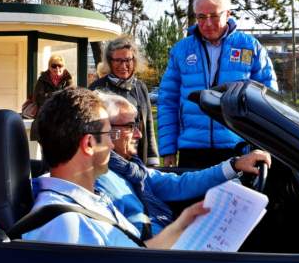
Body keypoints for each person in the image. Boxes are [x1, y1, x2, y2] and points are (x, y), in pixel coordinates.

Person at [22, 87, 208, 248]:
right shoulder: (65, 226)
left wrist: (181, 225)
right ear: (89, 144)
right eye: (108, 135)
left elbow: (135, 253)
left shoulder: (90, 199)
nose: (112, 145)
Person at [94, 92, 271, 239]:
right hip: (159, 255)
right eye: (130, 127)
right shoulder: (99, 180)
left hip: (168, 244)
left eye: (136, 126)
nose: (139, 134)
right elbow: (125, 242)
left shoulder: (132, 170)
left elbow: (180, 184)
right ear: (108, 131)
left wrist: (234, 165)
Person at [157, 0, 278, 169]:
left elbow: (268, 100)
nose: (207, 23)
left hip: (237, 147)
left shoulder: (251, 47)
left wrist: (264, 147)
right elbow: (168, 101)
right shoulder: (181, 50)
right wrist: (168, 149)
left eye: (214, 16)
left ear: (227, 14)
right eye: (201, 17)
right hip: (192, 149)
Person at [88, 35, 159, 166]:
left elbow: (148, 125)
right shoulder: (96, 88)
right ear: (109, 61)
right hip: (108, 159)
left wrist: (152, 159)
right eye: (118, 61)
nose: (123, 65)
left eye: (128, 60)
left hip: (137, 156)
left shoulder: (140, 87)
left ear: (134, 60)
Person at [29, 54, 74, 142]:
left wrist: (48, 95)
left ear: (63, 67)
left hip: (63, 121)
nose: (57, 68)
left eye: (60, 65)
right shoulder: (42, 79)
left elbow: (69, 98)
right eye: (54, 66)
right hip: (45, 119)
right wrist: (59, 96)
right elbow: (38, 99)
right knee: (45, 148)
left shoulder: (68, 80)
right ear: (49, 68)